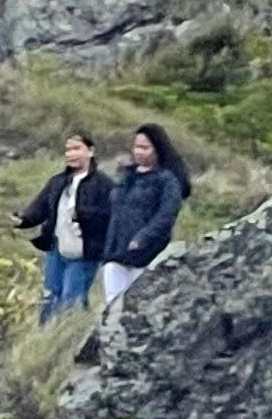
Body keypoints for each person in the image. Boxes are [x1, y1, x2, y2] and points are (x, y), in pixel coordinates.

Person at [18, 131, 112, 321]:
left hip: (85, 251)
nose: (71, 154)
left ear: (90, 151)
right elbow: (39, 209)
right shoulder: (58, 182)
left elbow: (112, 217)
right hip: (56, 248)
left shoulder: (105, 185)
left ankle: (74, 337)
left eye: (76, 149)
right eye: (68, 150)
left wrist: (85, 216)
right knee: (50, 296)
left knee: (72, 298)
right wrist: (22, 221)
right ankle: (44, 338)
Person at [101, 121, 191, 306]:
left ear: (157, 149)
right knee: (112, 304)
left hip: (147, 253)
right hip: (116, 250)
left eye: (145, 147)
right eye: (136, 147)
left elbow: (167, 215)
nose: (139, 151)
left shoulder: (167, 181)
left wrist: (143, 237)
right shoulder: (126, 176)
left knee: (140, 304)